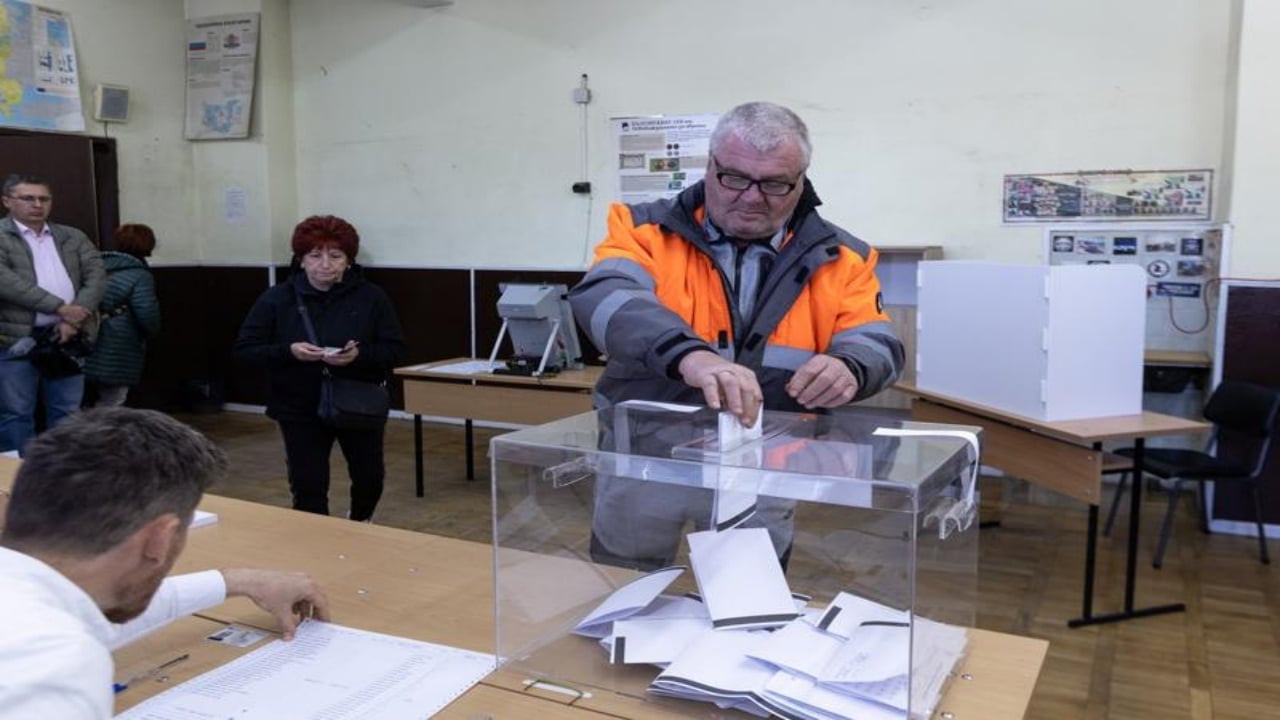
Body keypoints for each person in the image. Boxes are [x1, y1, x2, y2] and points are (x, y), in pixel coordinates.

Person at [568, 101, 905, 568]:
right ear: (710, 166)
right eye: (734, 178)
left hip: (765, 463)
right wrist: (690, 356)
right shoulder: (642, 230)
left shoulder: (844, 257)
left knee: (747, 604)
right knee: (623, 590)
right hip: (646, 456)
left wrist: (850, 364)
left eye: (774, 184)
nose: (750, 197)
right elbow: (606, 298)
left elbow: (879, 340)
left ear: (801, 181)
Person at [0, 406, 330, 719]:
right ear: (160, 538)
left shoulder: (35, 607)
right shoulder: (54, 670)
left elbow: (89, 614)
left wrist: (236, 581)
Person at [234, 215, 406, 522]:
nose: (325, 264)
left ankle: (360, 522)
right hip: (299, 406)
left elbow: (395, 349)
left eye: (335, 256)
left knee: (370, 478)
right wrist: (290, 351)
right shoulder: (277, 299)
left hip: (358, 401)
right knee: (308, 485)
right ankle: (315, 544)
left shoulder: (371, 298)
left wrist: (358, 356)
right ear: (301, 260)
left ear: (348, 261)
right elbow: (246, 349)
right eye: (315, 255)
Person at [0, 173, 106, 453]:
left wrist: (75, 317)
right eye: (28, 198)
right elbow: (7, 282)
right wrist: (59, 308)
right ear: (7, 201)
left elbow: (96, 276)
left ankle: (63, 476)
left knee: (68, 413)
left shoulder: (72, 236)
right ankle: (16, 481)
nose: (37, 204)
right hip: (15, 338)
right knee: (15, 413)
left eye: (43, 198)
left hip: (68, 336)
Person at [84, 223, 161, 407]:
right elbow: (146, 312)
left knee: (81, 397)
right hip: (120, 341)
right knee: (113, 398)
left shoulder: (97, 266)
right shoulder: (139, 274)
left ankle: (80, 431)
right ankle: (101, 434)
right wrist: (153, 332)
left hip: (87, 335)